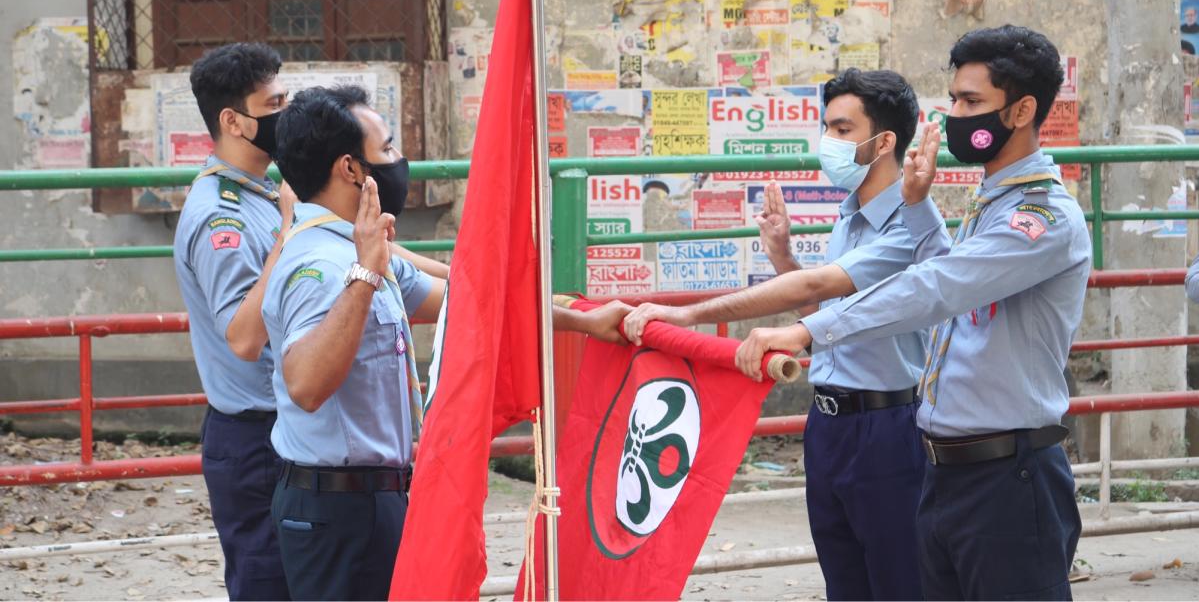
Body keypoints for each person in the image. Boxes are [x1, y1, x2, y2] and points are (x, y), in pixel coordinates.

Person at [736, 25, 1091, 601]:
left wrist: (805, 330)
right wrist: (921, 206)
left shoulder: (1041, 217)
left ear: (1023, 110)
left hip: (1007, 474)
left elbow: (936, 288)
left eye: (972, 101)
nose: (954, 114)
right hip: (945, 467)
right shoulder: (989, 203)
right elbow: (952, 289)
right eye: (953, 98)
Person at [263, 85, 629, 600]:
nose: (397, 161)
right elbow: (305, 384)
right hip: (336, 509)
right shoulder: (321, 263)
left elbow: (470, 307)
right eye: (386, 149)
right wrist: (365, 273)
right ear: (350, 169)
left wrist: (582, 320)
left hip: (377, 499)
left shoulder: (359, 246)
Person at [623, 69, 926, 600]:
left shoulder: (908, 227)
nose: (828, 142)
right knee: (845, 582)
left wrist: (687, 315)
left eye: (841, 128)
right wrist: (782, 253)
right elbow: (824, 301)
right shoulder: (850, 216)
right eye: (827, 127)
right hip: (830, 423)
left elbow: (812, 288)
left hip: (888, 426)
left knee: (900, 583)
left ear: (884, 142)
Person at [172, 43, 292, 601]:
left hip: (281, 426)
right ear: (234, 121)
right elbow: (244, 337)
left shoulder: (264, 193)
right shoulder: (222, 215)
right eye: (274, 103)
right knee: (268, 583)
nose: (285, 113)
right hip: (255, 437)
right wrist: (288, 236)